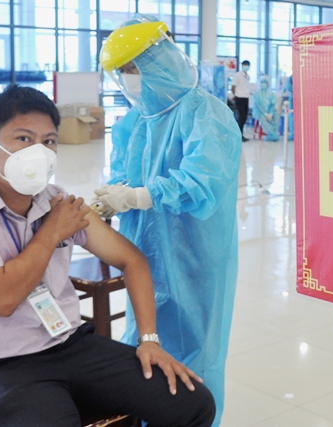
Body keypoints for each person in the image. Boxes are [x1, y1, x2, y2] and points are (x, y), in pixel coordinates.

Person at [0, 85, 216, 427]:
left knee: (193, 403)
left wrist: (149, 340)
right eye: (23, 139)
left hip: (69, 345)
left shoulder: (56, 200)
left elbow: (132, 260)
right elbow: (0, 300)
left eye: (48, 141)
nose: (40, 152)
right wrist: (52, 231)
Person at [94, 17, 241, 426]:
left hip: (196, 255)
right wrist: (114, 196)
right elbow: (124, 170)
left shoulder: (205, 115)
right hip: (144, 251)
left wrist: (142, 196)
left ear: (160, 62)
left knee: (197, 349)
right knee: (145, 338)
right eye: (122, 73)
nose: (130, 81)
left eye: (133, 69)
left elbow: (202, 183)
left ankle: (197, 418)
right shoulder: (135, 121)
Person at [252, 75, 280, 141]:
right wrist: (265, 114)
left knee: (276, 118)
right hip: (259, 112)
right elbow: (258, 106)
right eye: (262, 83)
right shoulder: (256, 94)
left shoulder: (271, 94)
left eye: (265, 83)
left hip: (271, 112)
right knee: (263, 119)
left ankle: (274, 132)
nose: (264, 84)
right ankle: (272, 134)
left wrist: (270, 113)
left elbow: (273, 105)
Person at [231, 60, 251, 142]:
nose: (246, 66)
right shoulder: (237, 75)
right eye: (245, 65)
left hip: (245, 97)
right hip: (239, 97)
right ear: (242, 65)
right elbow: (233, 86)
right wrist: (235, 95)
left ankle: (241, 134)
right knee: (241, 116)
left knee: (244, 116)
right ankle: (238, 135)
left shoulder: (248, 76)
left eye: (248, 65)